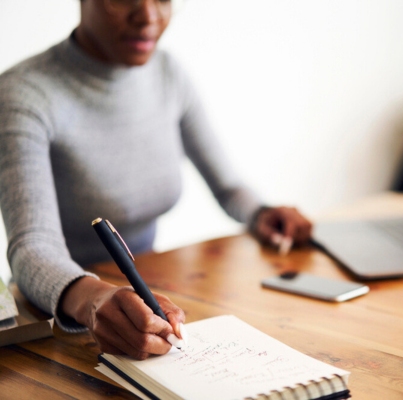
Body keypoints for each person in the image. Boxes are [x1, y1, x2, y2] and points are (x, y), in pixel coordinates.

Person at [0, 0, 312, 360]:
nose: (148, 17)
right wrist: (93, 299)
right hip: (58, 315)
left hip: (151, 298)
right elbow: (31, 247)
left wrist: (261, 213)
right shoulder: (21, 94)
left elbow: (229, 187)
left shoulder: (167, 72)